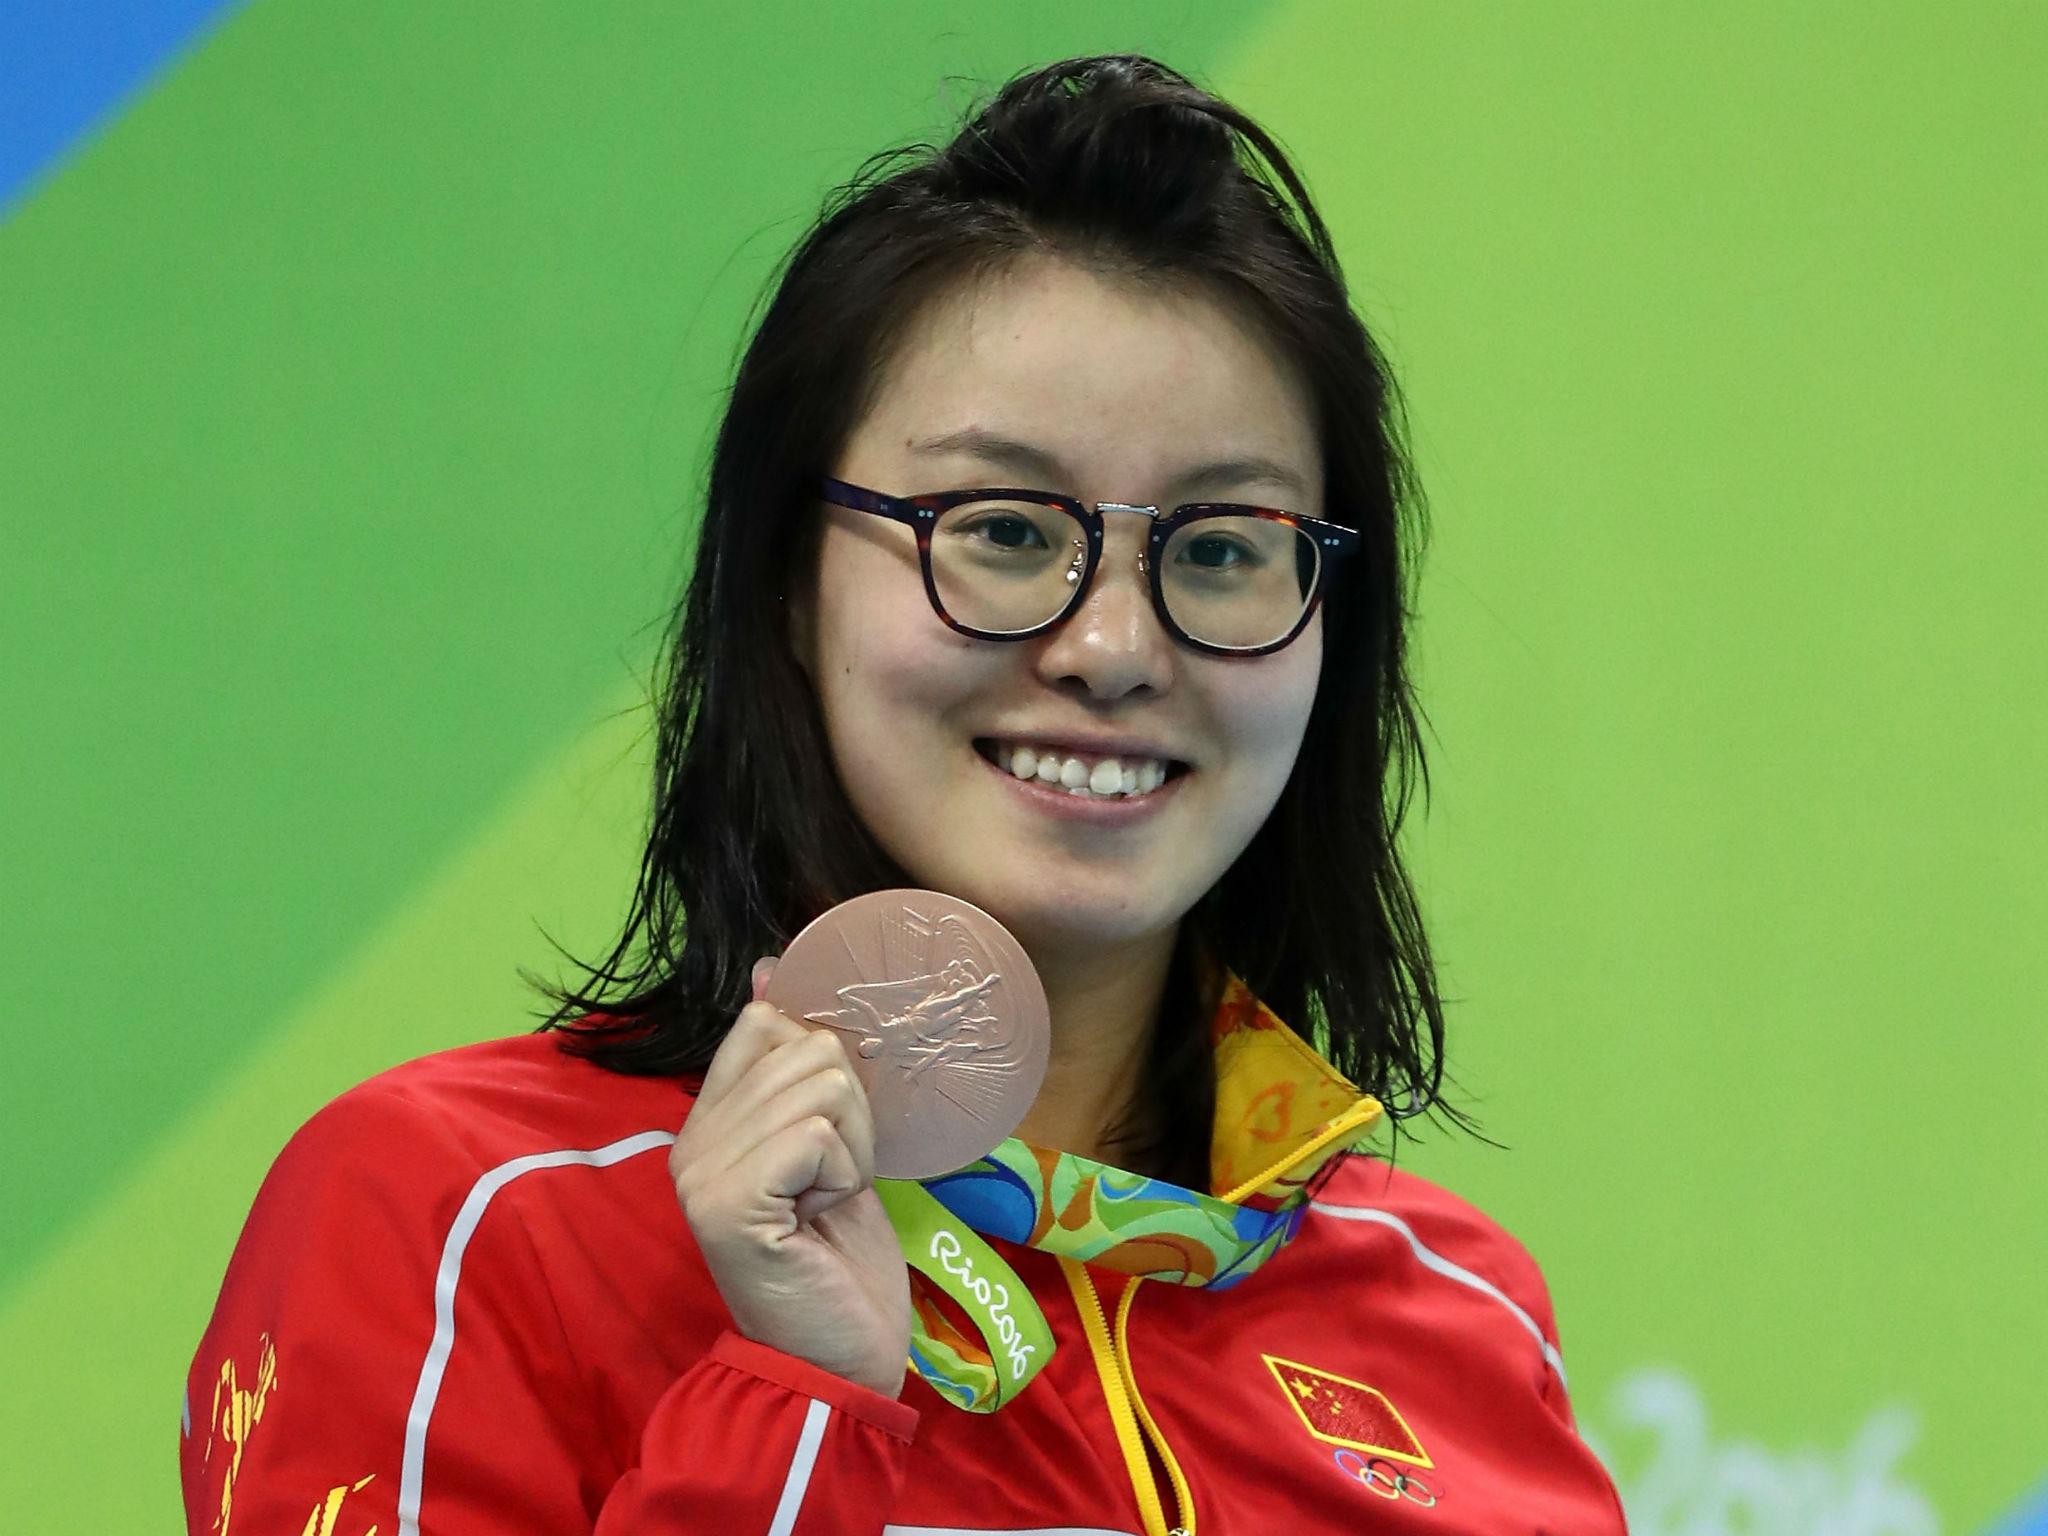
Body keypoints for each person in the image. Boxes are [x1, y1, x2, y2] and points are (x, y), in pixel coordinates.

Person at [181, 54, 1626, 1535]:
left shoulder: (1459, 1316)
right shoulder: (462, 1214)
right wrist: (792, 1407)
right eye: (1000, 527)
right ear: (790, 586)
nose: (1115, 648)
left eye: (1219, 549)